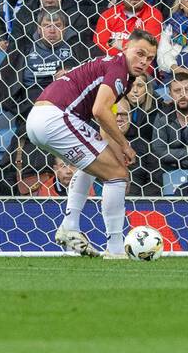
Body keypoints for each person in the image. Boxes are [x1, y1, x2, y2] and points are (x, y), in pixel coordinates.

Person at [25, 28, 158, 257]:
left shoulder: (113, 67)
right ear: (126, 47)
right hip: (57, 117)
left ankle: (70, 227)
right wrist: (125, 147)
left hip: (40, 117)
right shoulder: (119, 69)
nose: (143, 61)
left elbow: (103, 129)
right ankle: (115, 249)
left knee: (94, 165)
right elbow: (99, 111)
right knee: (116, 175)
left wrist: (117, 155)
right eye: (140, 53)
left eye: (150, 58)